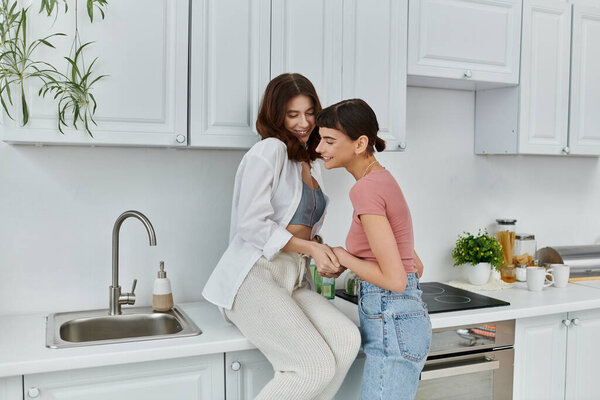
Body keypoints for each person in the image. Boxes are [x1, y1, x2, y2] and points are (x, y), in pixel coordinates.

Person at [202, 73, 361, 400]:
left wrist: (322, 251)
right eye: (293, 115)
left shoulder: (311, 161)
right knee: (311, 366)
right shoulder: (269, 150)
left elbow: (298, 225)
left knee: (347, 340)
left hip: (294, 277)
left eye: (309, 112)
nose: (304, 122)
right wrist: (310, 249)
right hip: (255, 277)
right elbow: (252, 224)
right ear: (276, 116)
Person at [315, 98, 432, 400]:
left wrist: (343, 256)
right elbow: (414, 266)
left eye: (329, 140)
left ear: (360, 143)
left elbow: (395, 280)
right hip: (408, 319)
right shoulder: (383, 180)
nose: (319, 148)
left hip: (392, 319)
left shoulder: (365, 188)